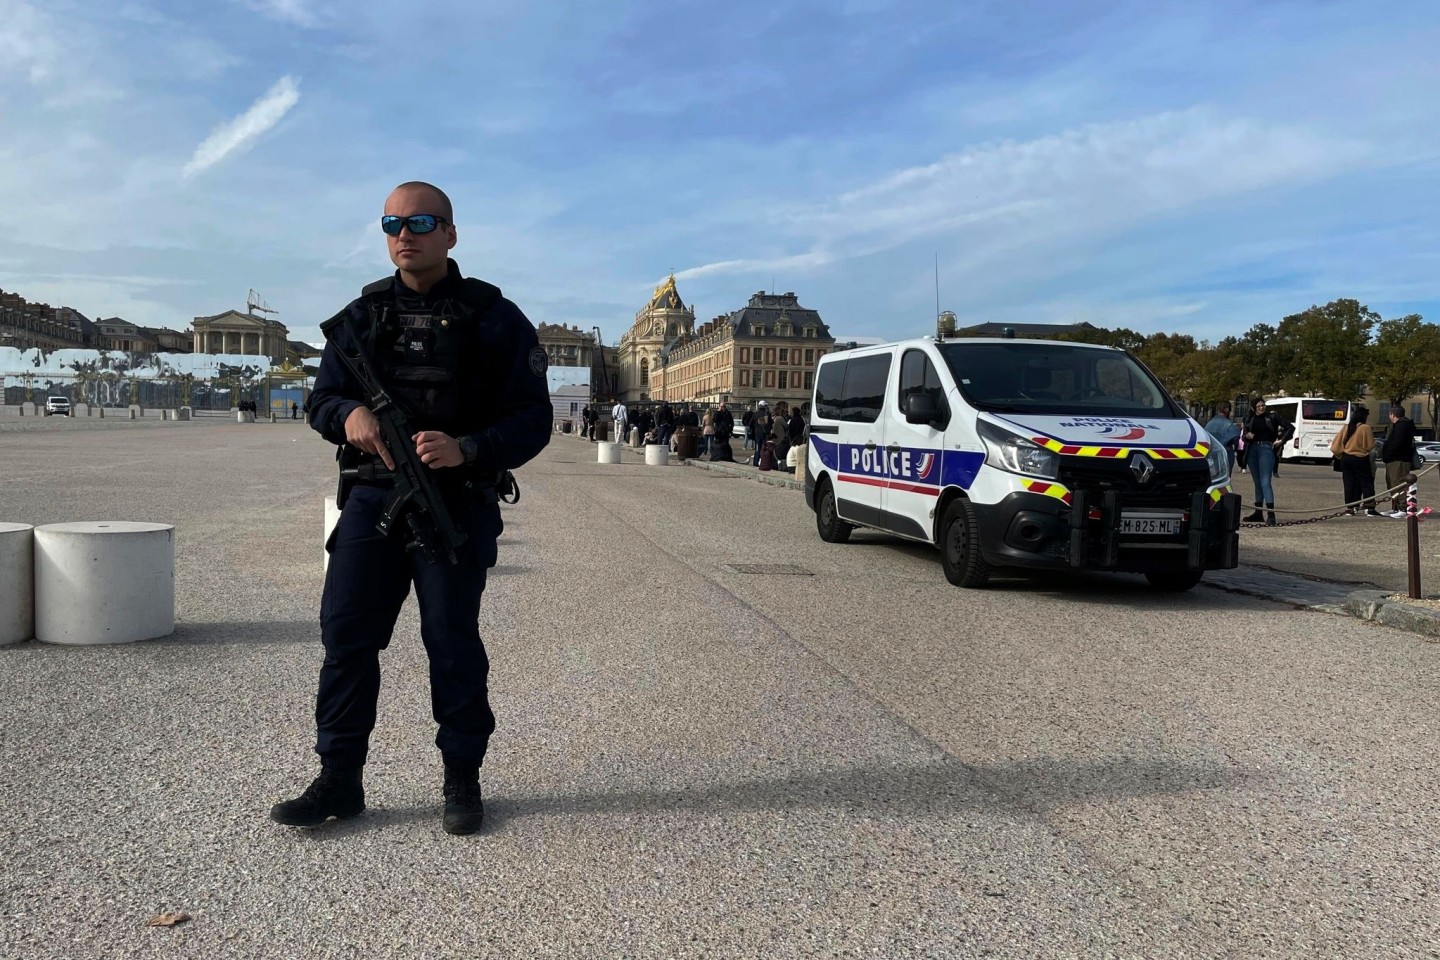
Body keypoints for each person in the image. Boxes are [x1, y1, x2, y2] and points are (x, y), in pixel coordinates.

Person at [270, 181, 552, 836]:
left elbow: (533, 420)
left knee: (451, 643)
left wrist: (470, 447)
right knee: (346, 637)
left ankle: (462, 779)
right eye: (392, 223)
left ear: (450, 233)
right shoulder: (361, 318)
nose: (405, 233)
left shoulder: (494, 318)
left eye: (421, 221)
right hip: (373, 497)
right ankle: (339, 778)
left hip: (455, 500)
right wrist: (351, 415)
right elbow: (321, 404)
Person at [1241, 398, 1293, 525]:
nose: (1261, 408)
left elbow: (1290, 427)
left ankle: (1271, 514)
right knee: (1257, 482)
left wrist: (1281, 440)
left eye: (1263, 405)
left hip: (1266, 448)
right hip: (1252, 450)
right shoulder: (1248, 418)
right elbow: (1244, 434)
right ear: (1254, 407)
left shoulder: (1272, 416)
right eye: (1258, 406)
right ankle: (1258, 512)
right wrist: (1246, 436)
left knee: (1265, 482)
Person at [1331, 405, 1381, 517]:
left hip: (1346, 458)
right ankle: (1369, 507)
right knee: (1367, 483)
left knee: (1349, 484)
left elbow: (1335, 444)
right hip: (1360, 458)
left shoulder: (1346, 427)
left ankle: (1350, 508)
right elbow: (1370, 445)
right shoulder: (1365, 428)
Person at [1381, 405, 1418, 517]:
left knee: (1399, 483)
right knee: (1392, 483)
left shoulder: (1401, 426)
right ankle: (1396, 507)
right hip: (1395, 459)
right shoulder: (1400, 425)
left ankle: (1403, 508)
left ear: (1393, 414)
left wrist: (1387, 454)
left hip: (1399, 459)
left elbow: (1396, 443)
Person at [1203, 402, 1240, 470]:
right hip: (1226, 453)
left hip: (1211, 454)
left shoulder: (1209, 424)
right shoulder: (1230, 425)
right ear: (1227, 410)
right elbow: (1236, 439)